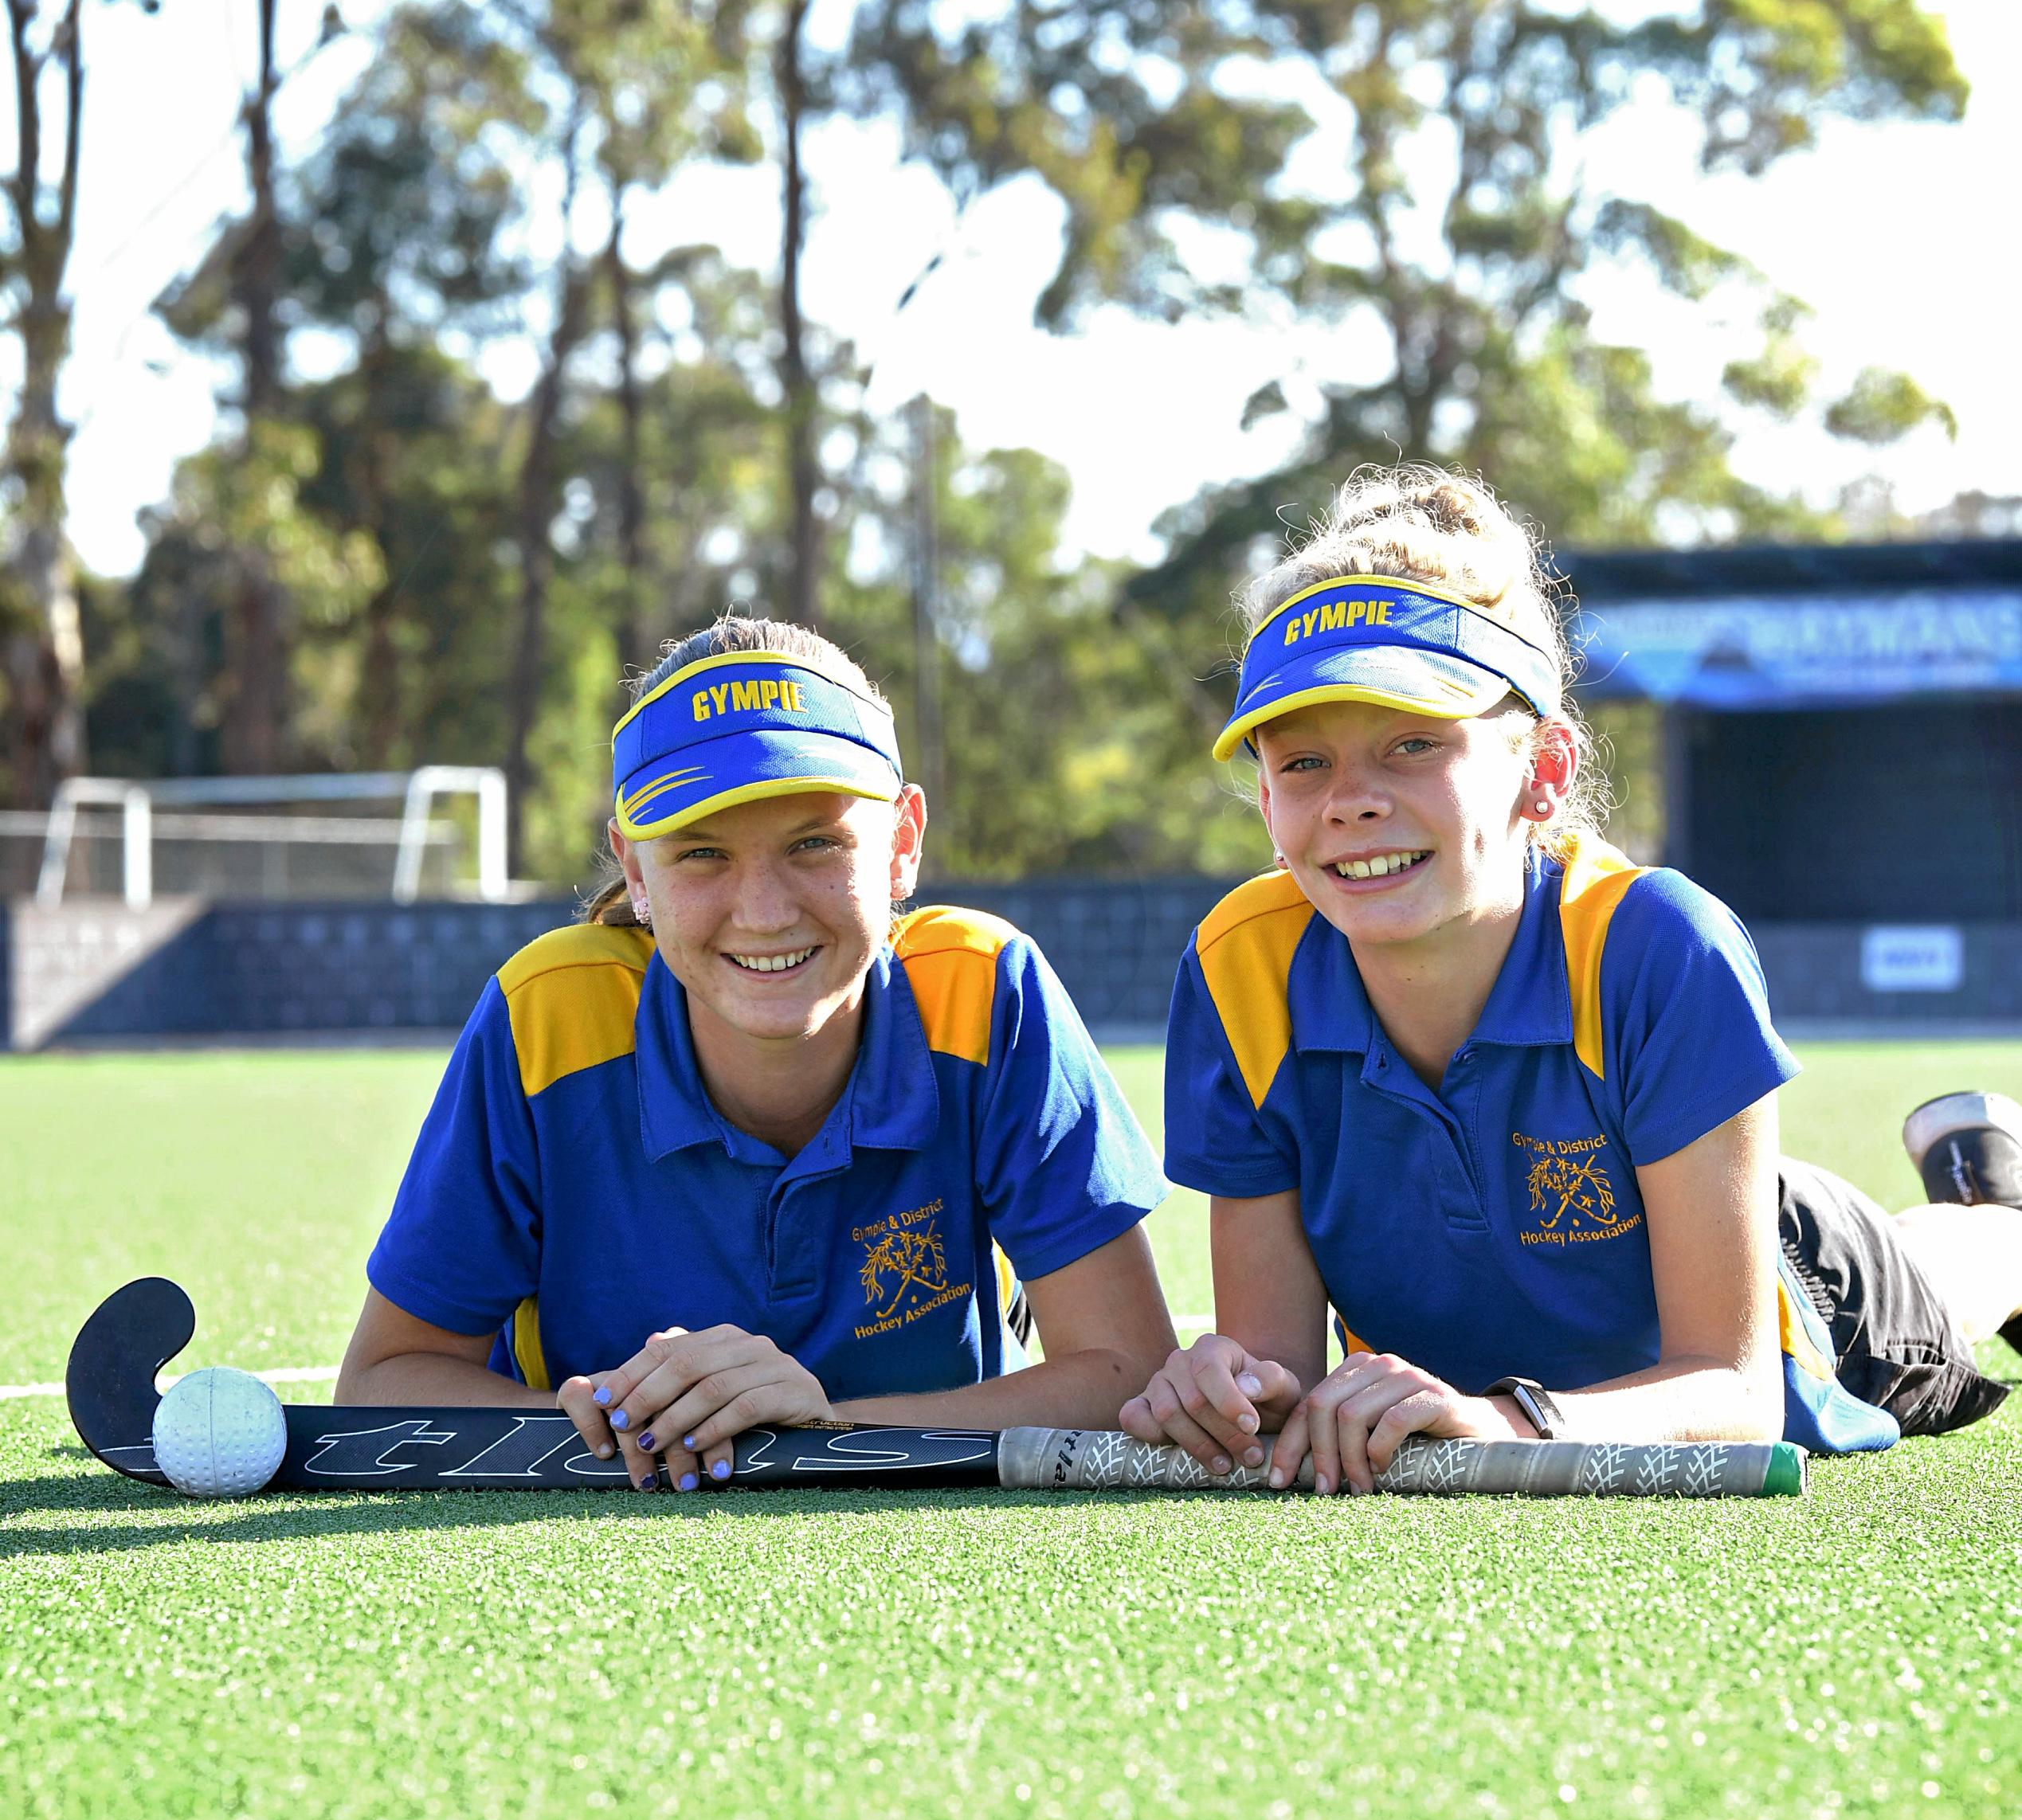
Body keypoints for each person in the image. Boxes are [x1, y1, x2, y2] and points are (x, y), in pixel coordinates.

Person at [1122, 468, 2020, 1493]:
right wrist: (1235, 1391)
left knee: (1952, 1283)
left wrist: (1504, 1419)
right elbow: (1281, 1372)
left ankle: (1997, 1198)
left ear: (1544, 771)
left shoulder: (1660, 943)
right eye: (1302, 763)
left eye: (1415, 744)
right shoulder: (1237, 967)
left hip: (1808, 1285)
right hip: (1604, 1286)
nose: (1352, 802)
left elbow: (1734, 1391)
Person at [338, 616, 1175, 1487]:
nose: (766, 911)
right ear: (634, 870)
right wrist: (598, 1420)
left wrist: (819, 1425)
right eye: (702, 854)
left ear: (902, 842)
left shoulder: (983, 990)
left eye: (815, 843)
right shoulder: (548, 1016)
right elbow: (379, 1384)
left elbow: (1130, 1375)